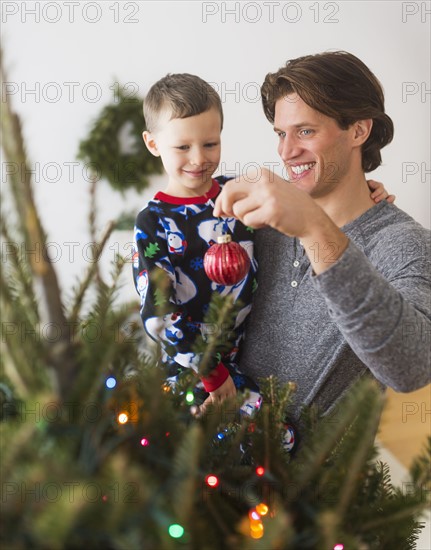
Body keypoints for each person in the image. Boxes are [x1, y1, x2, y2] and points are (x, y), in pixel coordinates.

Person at [213, 51, 431, 419]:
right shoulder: (260, 219)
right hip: (210, 459)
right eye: (281, 133)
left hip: (312, 476)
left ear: (359, 131)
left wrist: (315, 227)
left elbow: (412, 368)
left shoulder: (403, 243)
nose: (286, 150)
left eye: (306, 131)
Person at [132, 73, 262, 416]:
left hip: (251, 357)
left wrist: (365, 192)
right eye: (182, 147)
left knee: (284, 440)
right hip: (193, 372)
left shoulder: (238, 191)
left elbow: (300, 204)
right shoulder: (154, 222)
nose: (198, 158)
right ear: (153, 144)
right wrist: (211, 372)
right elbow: (158, 313)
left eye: (210, 144)